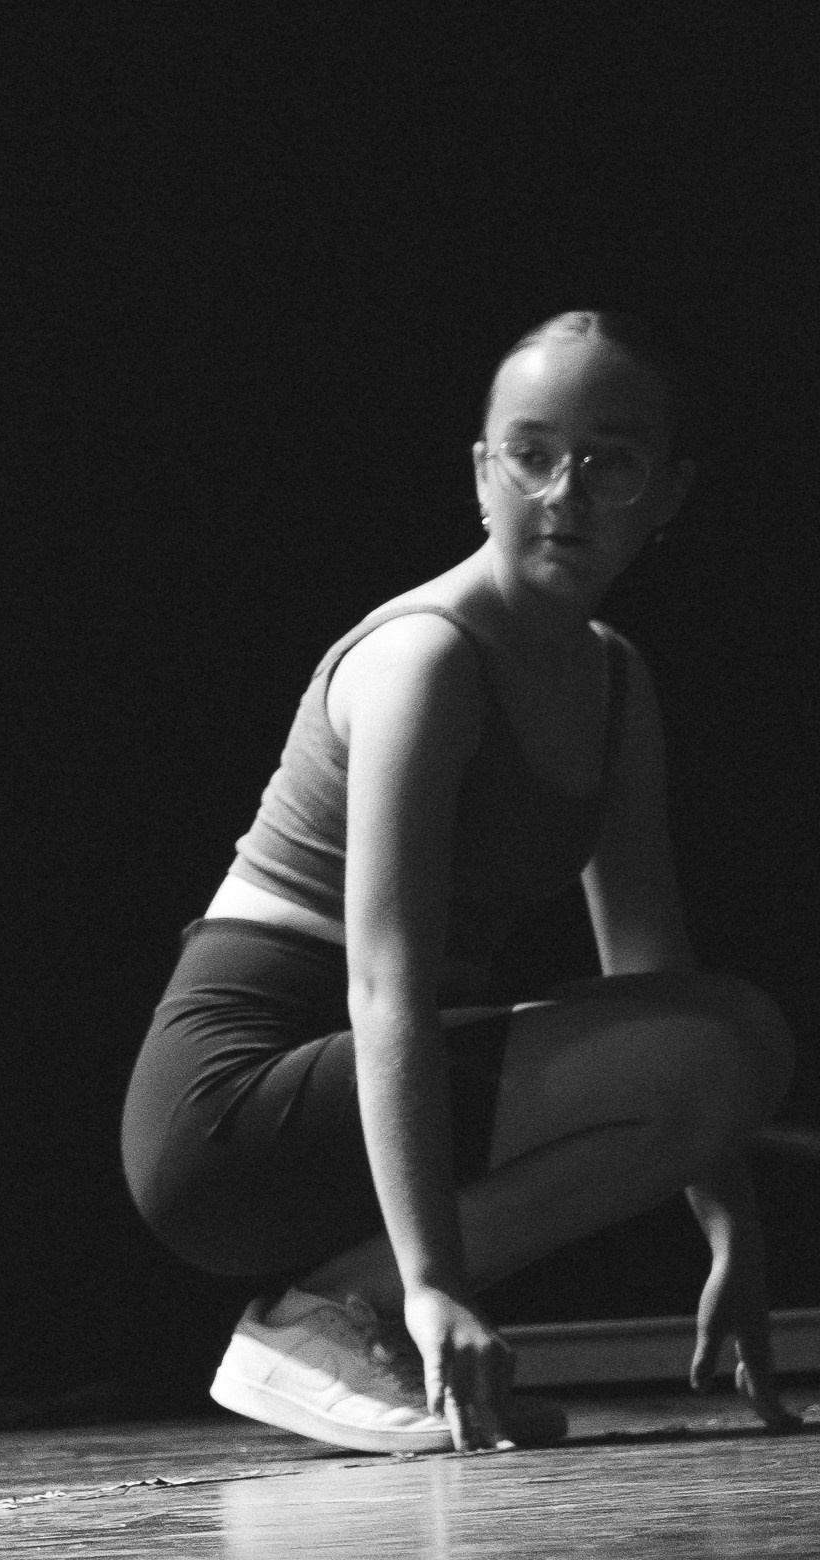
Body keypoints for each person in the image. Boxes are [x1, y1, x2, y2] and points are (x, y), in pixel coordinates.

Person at [123, 311, 803, 1456]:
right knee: (723, 1039)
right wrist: (431, 1284)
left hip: (375, 1085)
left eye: (612, 461)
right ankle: (340, 1313)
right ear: (483, 471)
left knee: (735, 1028)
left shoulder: (613, 684)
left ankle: (346, 1306)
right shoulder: (425, 659)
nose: (564, 493)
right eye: (531, 453)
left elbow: (655, 978)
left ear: (670, 493)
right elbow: (383, 987)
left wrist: (729, 1233)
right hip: (231, 1111)